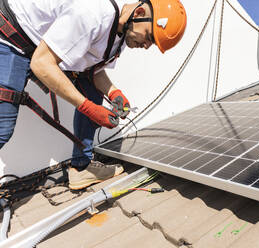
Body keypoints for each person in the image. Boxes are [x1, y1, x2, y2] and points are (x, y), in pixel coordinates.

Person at [0, 0, 186, 189]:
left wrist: (114, 93)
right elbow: (42, 64)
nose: (146, 45)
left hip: (35, 48)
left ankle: (81, 168)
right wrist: (89, 109)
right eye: (148, 36)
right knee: (2, 127)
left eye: (152, 43)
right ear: (138, 13)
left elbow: (90, 71)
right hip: (11, 36)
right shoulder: (93, 13)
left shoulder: (120, 37)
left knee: (91, 89)